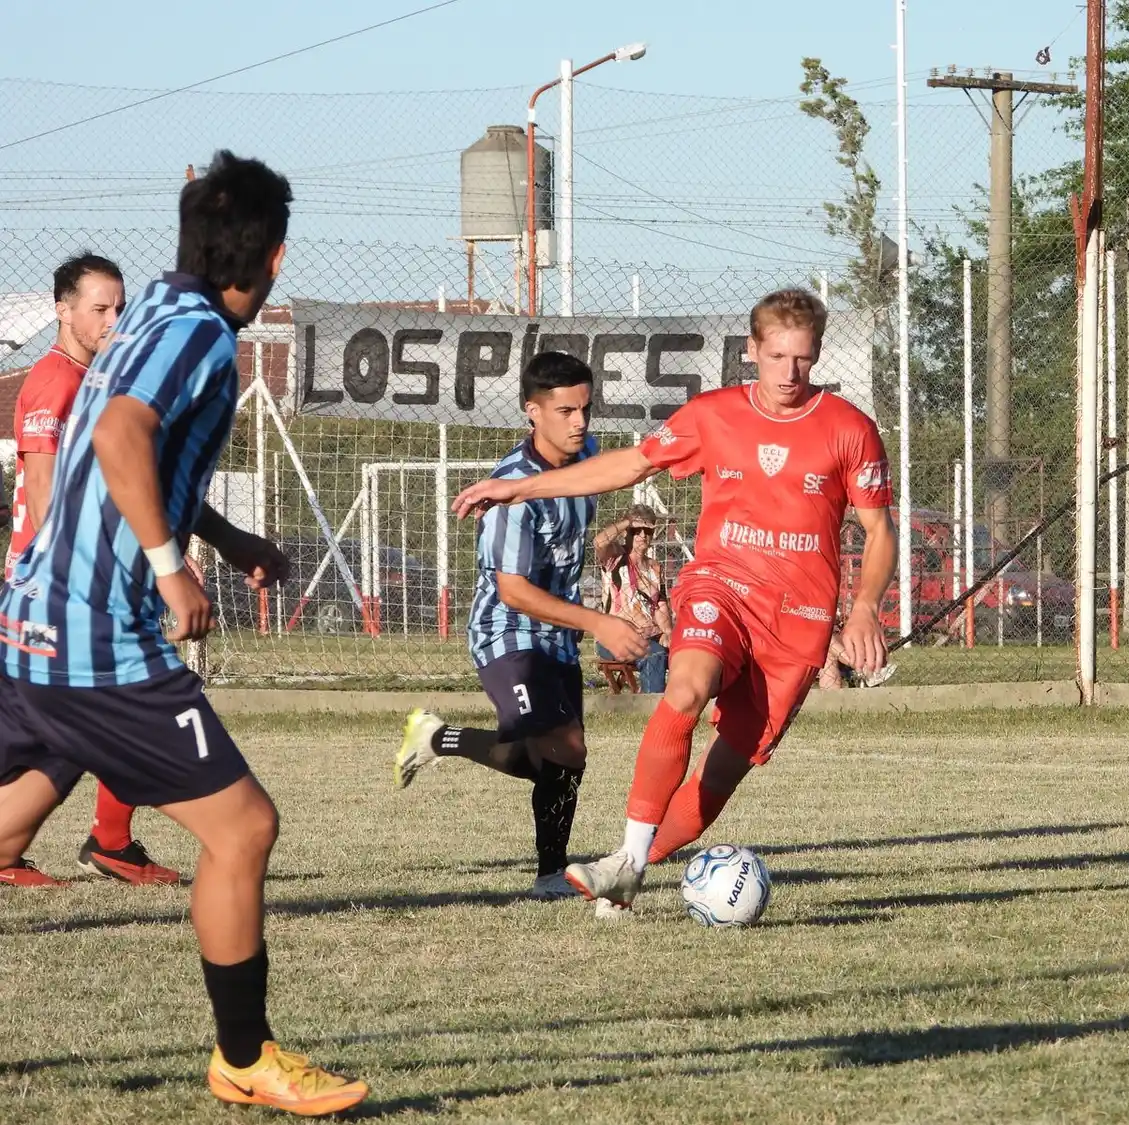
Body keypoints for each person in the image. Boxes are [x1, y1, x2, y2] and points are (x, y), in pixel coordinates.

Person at [0, 151, 366, 1114]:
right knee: (245, 826)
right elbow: (121, 435)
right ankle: (245, 1056)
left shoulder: (156, 306)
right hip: (99, 640)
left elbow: (136, 455)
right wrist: (173, 566)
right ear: (276, 258)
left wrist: (225, 533)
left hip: (33, 622)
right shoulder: (202, 332)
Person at [453, 287, 896, 919]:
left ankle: (633, 868)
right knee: (684, 690)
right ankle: (626, 863)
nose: (789, 373)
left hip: (795, 626)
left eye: (801, 358)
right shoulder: (713, 415)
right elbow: (629, 466)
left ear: (818, 353)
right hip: (722, 587)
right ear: (752, 351)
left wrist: (863, 608)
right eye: (776, 357)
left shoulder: (850, 430)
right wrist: (520, 489)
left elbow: (879, 531)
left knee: (715, 786)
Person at [394, 352, 648, 899]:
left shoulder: (589, 456)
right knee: (562, 750)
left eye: (585, 408)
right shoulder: (512, 491)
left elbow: (640, 460)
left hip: (558, 634)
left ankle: (438, 737)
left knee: (558, 755)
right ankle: (551, 875)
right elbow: (513, 591)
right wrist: (601, 621)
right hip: (507, 632)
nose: (580, 421)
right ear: (533, 412)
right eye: (565, 411)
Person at [2, 252, 181, 887]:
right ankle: (108, 842)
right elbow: (47, 490)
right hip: (57, 587)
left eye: (118, 307)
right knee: (124, 710)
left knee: (71, 728)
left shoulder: (100, 378)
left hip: (80, 583)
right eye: (98, 308)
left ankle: (106, 841)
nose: (112, 319)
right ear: (62, 310)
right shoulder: (55, 382)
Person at [594, 503, 672, 692]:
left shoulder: (655, 567)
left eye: (648, 530)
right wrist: (628, 521)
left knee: (687, 650)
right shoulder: (614, 558)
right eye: (637, 530)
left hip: (651, 635)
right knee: (654, 654)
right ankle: (651, 707)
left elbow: (660, 605)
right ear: (627, 532)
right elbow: (598, 542)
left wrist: (668, 632)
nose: (643, 535)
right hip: (614, 637)